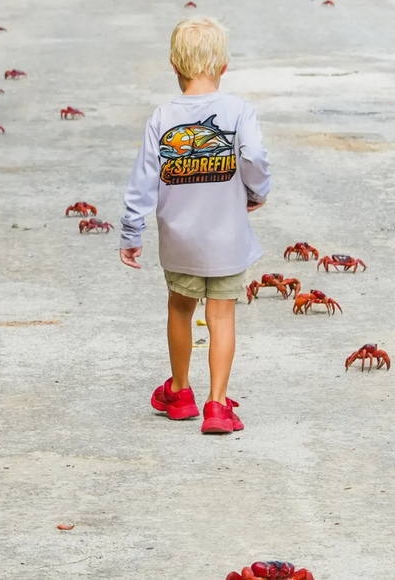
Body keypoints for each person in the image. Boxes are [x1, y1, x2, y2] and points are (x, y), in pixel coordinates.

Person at [119, 16, 271, 434]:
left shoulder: (162, 116)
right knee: (221, 317)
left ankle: (180, 391)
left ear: (174, 65)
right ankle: (217, 405)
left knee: (180, 308)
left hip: (180, 241)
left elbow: (142, 180)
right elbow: (254, 158)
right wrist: (257, 192)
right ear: (224, 65)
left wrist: (131, 232)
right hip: (227, 240)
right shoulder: (239, 110)